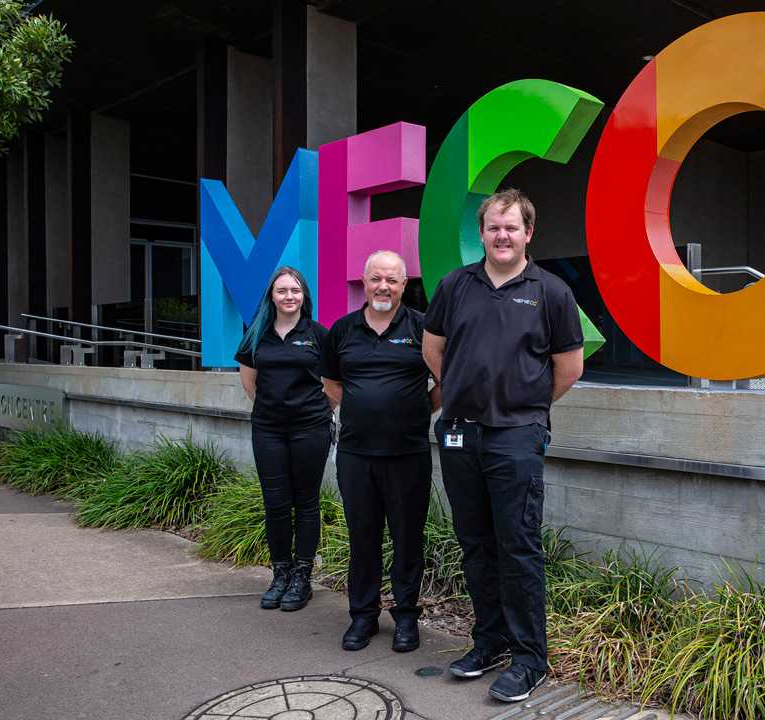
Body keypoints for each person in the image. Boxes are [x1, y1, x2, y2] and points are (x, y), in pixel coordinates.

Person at [421, 188, 584, 702]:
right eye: (493, 227)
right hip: (460, 433)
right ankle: (488, 641)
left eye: (511, 227)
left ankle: (529, 657)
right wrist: (470, 389)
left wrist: (523, 405)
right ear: (482, 232)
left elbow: (569, 367)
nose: (502, 235)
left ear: (528, 233)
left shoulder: (552, 291)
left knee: (517, 546)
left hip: (516, 435)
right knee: (475, 543)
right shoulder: (454, 286)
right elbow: (434, 351)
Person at [322, 251, 440, 652]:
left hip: (408, 454)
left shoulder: (423, 328)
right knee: (363, 537)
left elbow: (444, 378)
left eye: (392, 280)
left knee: (408, 538)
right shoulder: (342, 330)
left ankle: (406, 617)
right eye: (376, 279)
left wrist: (419, 408)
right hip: (357, 456)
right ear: (364, 282)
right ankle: (363, 616)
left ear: (405, 285)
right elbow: (331, 382)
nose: (383, 287)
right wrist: (363, 409)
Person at [235, 266, 333, 613]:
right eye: (282, 291)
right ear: (271, 296)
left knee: (306, 502)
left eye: (295, 290)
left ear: (304, 296)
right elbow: (250, 383)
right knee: (275, 504)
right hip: (269, 430)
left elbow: (334, 385)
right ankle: (280, 574)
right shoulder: (255, 334)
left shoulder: (319, 335)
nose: (289, 296)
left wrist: (317, 410)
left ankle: (302, 577)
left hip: (311, 429)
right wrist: (274, 409)